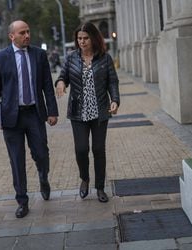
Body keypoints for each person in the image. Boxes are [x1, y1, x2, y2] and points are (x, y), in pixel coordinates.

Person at [0, 20, 58, 218]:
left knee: (41, 153)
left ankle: (43, 176)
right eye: (22, 33)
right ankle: (22, 200)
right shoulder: (0, 57)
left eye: (28, 32)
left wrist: (52, 111)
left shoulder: (39, 54)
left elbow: (47, 85)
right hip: (11, 117)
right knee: (16, 160)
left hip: (35, 114)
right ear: (12, 36)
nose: (27, 35)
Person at [55, 22, 120, 203]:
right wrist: (60, 83)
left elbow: (112, 82)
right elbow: (63, 76)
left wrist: (115, 100)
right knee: (81, 149)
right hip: (78, 112)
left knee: (99, 149)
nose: (82, 42)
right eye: (79, 38)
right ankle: (85, 178)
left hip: (99, 111)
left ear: (93, 38)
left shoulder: (105, 58)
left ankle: (100, 187)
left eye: (85, 38)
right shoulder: (71, 58)